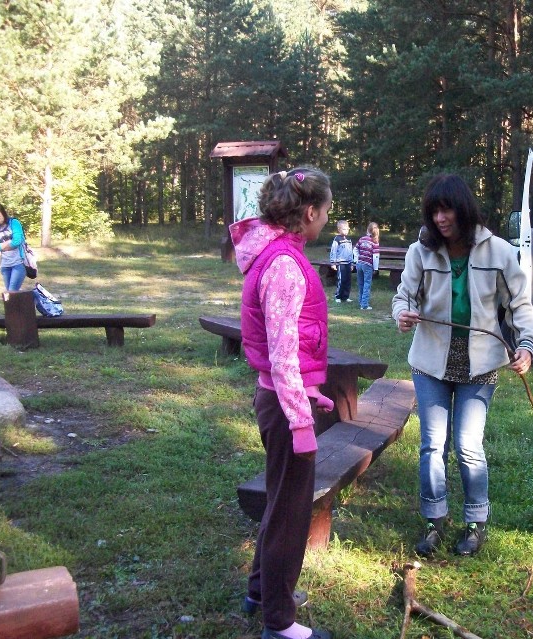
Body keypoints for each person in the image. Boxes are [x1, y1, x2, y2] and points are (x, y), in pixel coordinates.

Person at [391, 174, 533, 557]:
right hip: (430, 364)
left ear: (464, 209)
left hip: (480, 367)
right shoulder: (419, 252)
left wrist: (526, 345)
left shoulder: (500, 252)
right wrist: (403, 315)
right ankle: (434, 520)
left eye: (447, 209)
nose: (440, 218)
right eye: (434, 211)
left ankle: (475, 523)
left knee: (468, 445)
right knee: (432, 445)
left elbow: (519, 304)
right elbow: (404, 295)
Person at [230, 167, 334, 639]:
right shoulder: (287, 267)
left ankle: (261, 590)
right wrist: (301, 420)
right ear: (310, 212)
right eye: (326, 212)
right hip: (283, 405)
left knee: (279, 499)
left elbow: (286, 352)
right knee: (292, 512)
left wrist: (309, 389)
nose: (326, 221)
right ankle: (281, 621)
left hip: (281, 396)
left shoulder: (276, 256)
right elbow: (282, 355)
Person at [0, 202, 27, 292]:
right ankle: (17, 306)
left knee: (12, 291)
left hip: (18, 263)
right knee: (9, 294)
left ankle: (20, 305)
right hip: (5, 265)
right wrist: (9, 242)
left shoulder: (14, 223)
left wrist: (2, 245)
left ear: (3, 213)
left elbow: (17, 241)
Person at [354, 222, 380, 310]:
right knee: (367, 284)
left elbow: (355, 249)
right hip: (368, 265)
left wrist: (357, 259)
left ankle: (361, 301)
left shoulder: (362, 239)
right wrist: (375, 268)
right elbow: (375, 256)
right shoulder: (375, 242)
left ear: (367, 229)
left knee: (360, 283)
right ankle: (364, 305)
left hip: (359, 264)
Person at [328, 219, 354, 303]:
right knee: (341, 280)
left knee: (348, 280)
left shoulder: (349, 239)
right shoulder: (337, 239)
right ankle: (338, 296)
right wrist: (333, 263)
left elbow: (351, 251)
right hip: (340, 263)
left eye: (347, 229)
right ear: (339, 229)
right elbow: (333, 251)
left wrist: (352, 263)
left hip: (348, 263)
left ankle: (346, 296)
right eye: (344, 229)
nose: (346, 231)